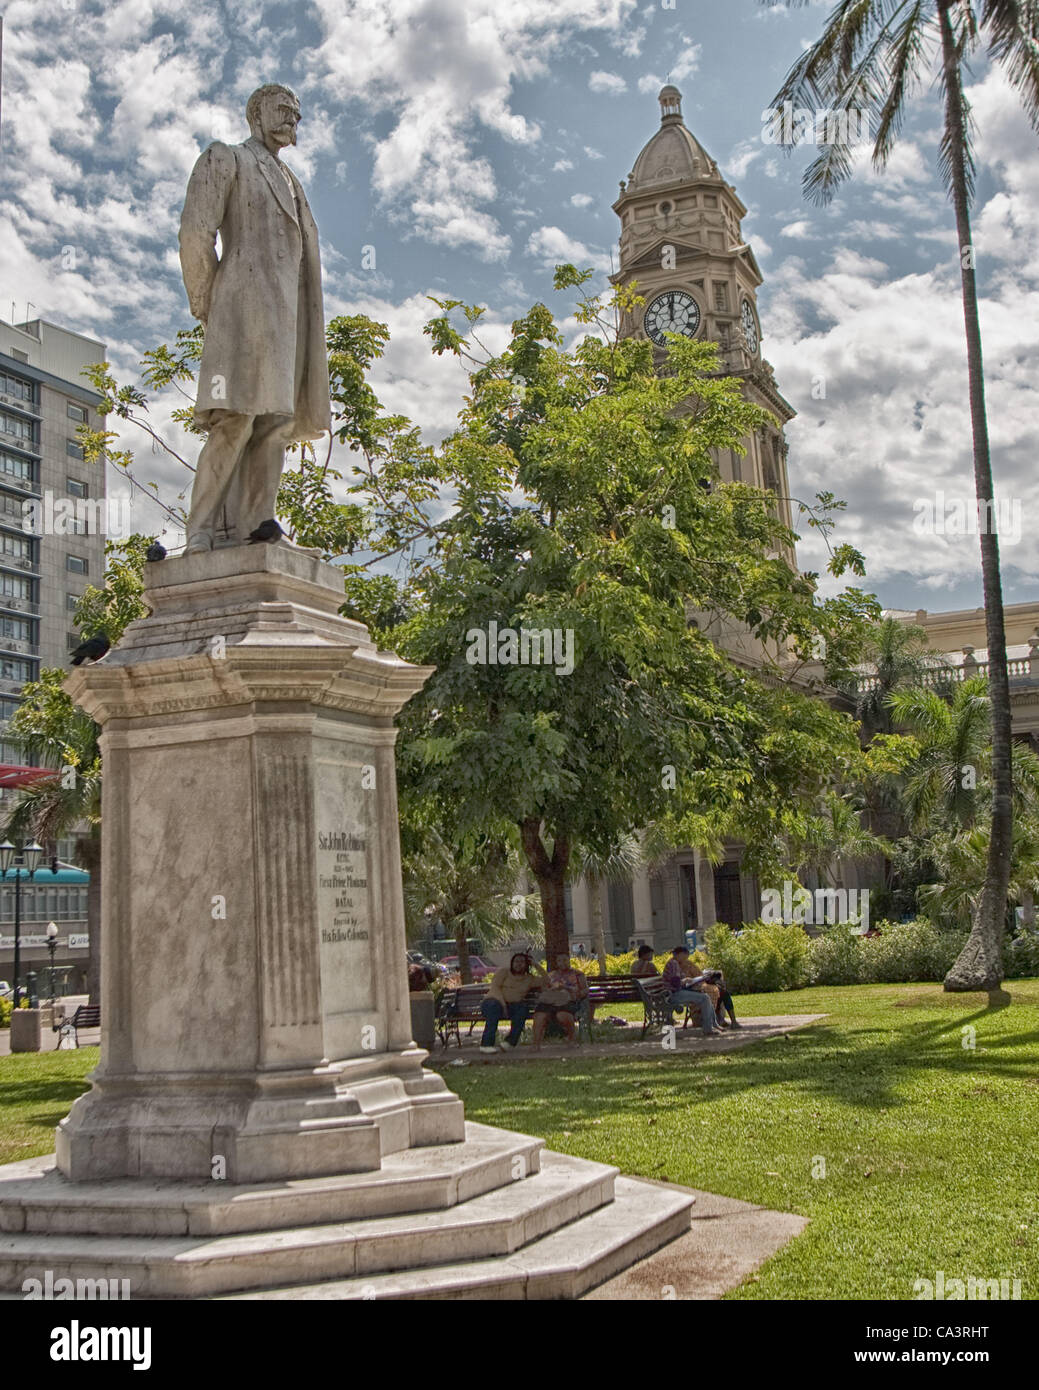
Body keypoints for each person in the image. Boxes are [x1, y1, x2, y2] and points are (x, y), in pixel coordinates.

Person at [179, 83, 331, 552]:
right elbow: (195, 235)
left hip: (288, 322)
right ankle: (201, 528)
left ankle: (259, 526)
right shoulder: (225, 158)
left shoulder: (293, 182)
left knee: (276, 423)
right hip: (239, 311)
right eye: (283, 110)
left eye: (297, 114)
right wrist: (208, 305)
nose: (292, 120)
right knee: (235, 419)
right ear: (256, 113)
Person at [479, 953, 546, 1053]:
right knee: (494, 1008)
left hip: (513, 1006)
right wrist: (503, 1005)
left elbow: (547, 980)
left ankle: (509, 1042)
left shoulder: (530, 979)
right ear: (512, 963)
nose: (518, 964)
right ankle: (486, 1045)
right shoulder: (504, 972)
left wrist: (536, 965)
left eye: (522, 962)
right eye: (516, 961)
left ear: (527, 964)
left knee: (523, 1009)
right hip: (494, 1002)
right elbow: (495, 988)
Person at [531, 953, 590, 1049]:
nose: (562, 963)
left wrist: (568, 989)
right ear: (556, 963)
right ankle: (536, 1044)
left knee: (562, 1015)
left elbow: (585, 990)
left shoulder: (578, 974)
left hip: (568, 1001)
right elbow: (544, 988)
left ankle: (571, 1039)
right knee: (539, 1016)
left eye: (564, 960)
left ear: (569, 960)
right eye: (559, 961)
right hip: (551, 1001)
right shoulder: (552, 975)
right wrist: (550, 989)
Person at [661, 947, 717, 1034]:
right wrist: (686, 981)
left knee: (705, 996)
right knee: (705, 998)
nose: (685, 959)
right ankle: (708, 1029)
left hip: (674, 992)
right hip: (673, 994)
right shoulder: (674, 963)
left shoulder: (673, 963)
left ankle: (713, 1025)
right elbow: (675, 983)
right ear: (679, 954)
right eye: (684, 956)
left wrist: (688, 980)